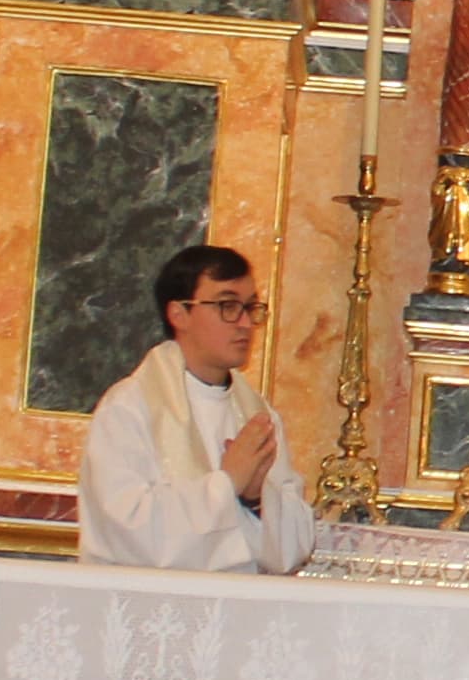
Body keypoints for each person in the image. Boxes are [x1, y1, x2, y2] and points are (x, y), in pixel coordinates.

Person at [78, 244, 320, 575]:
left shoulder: (258, 417)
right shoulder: (129, 407)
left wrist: (256, 500)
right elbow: (127, 532)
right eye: (227, 306)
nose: (245, 323)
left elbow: (294, 550)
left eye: (250, 307)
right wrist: (228, 483)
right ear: (179, 314)